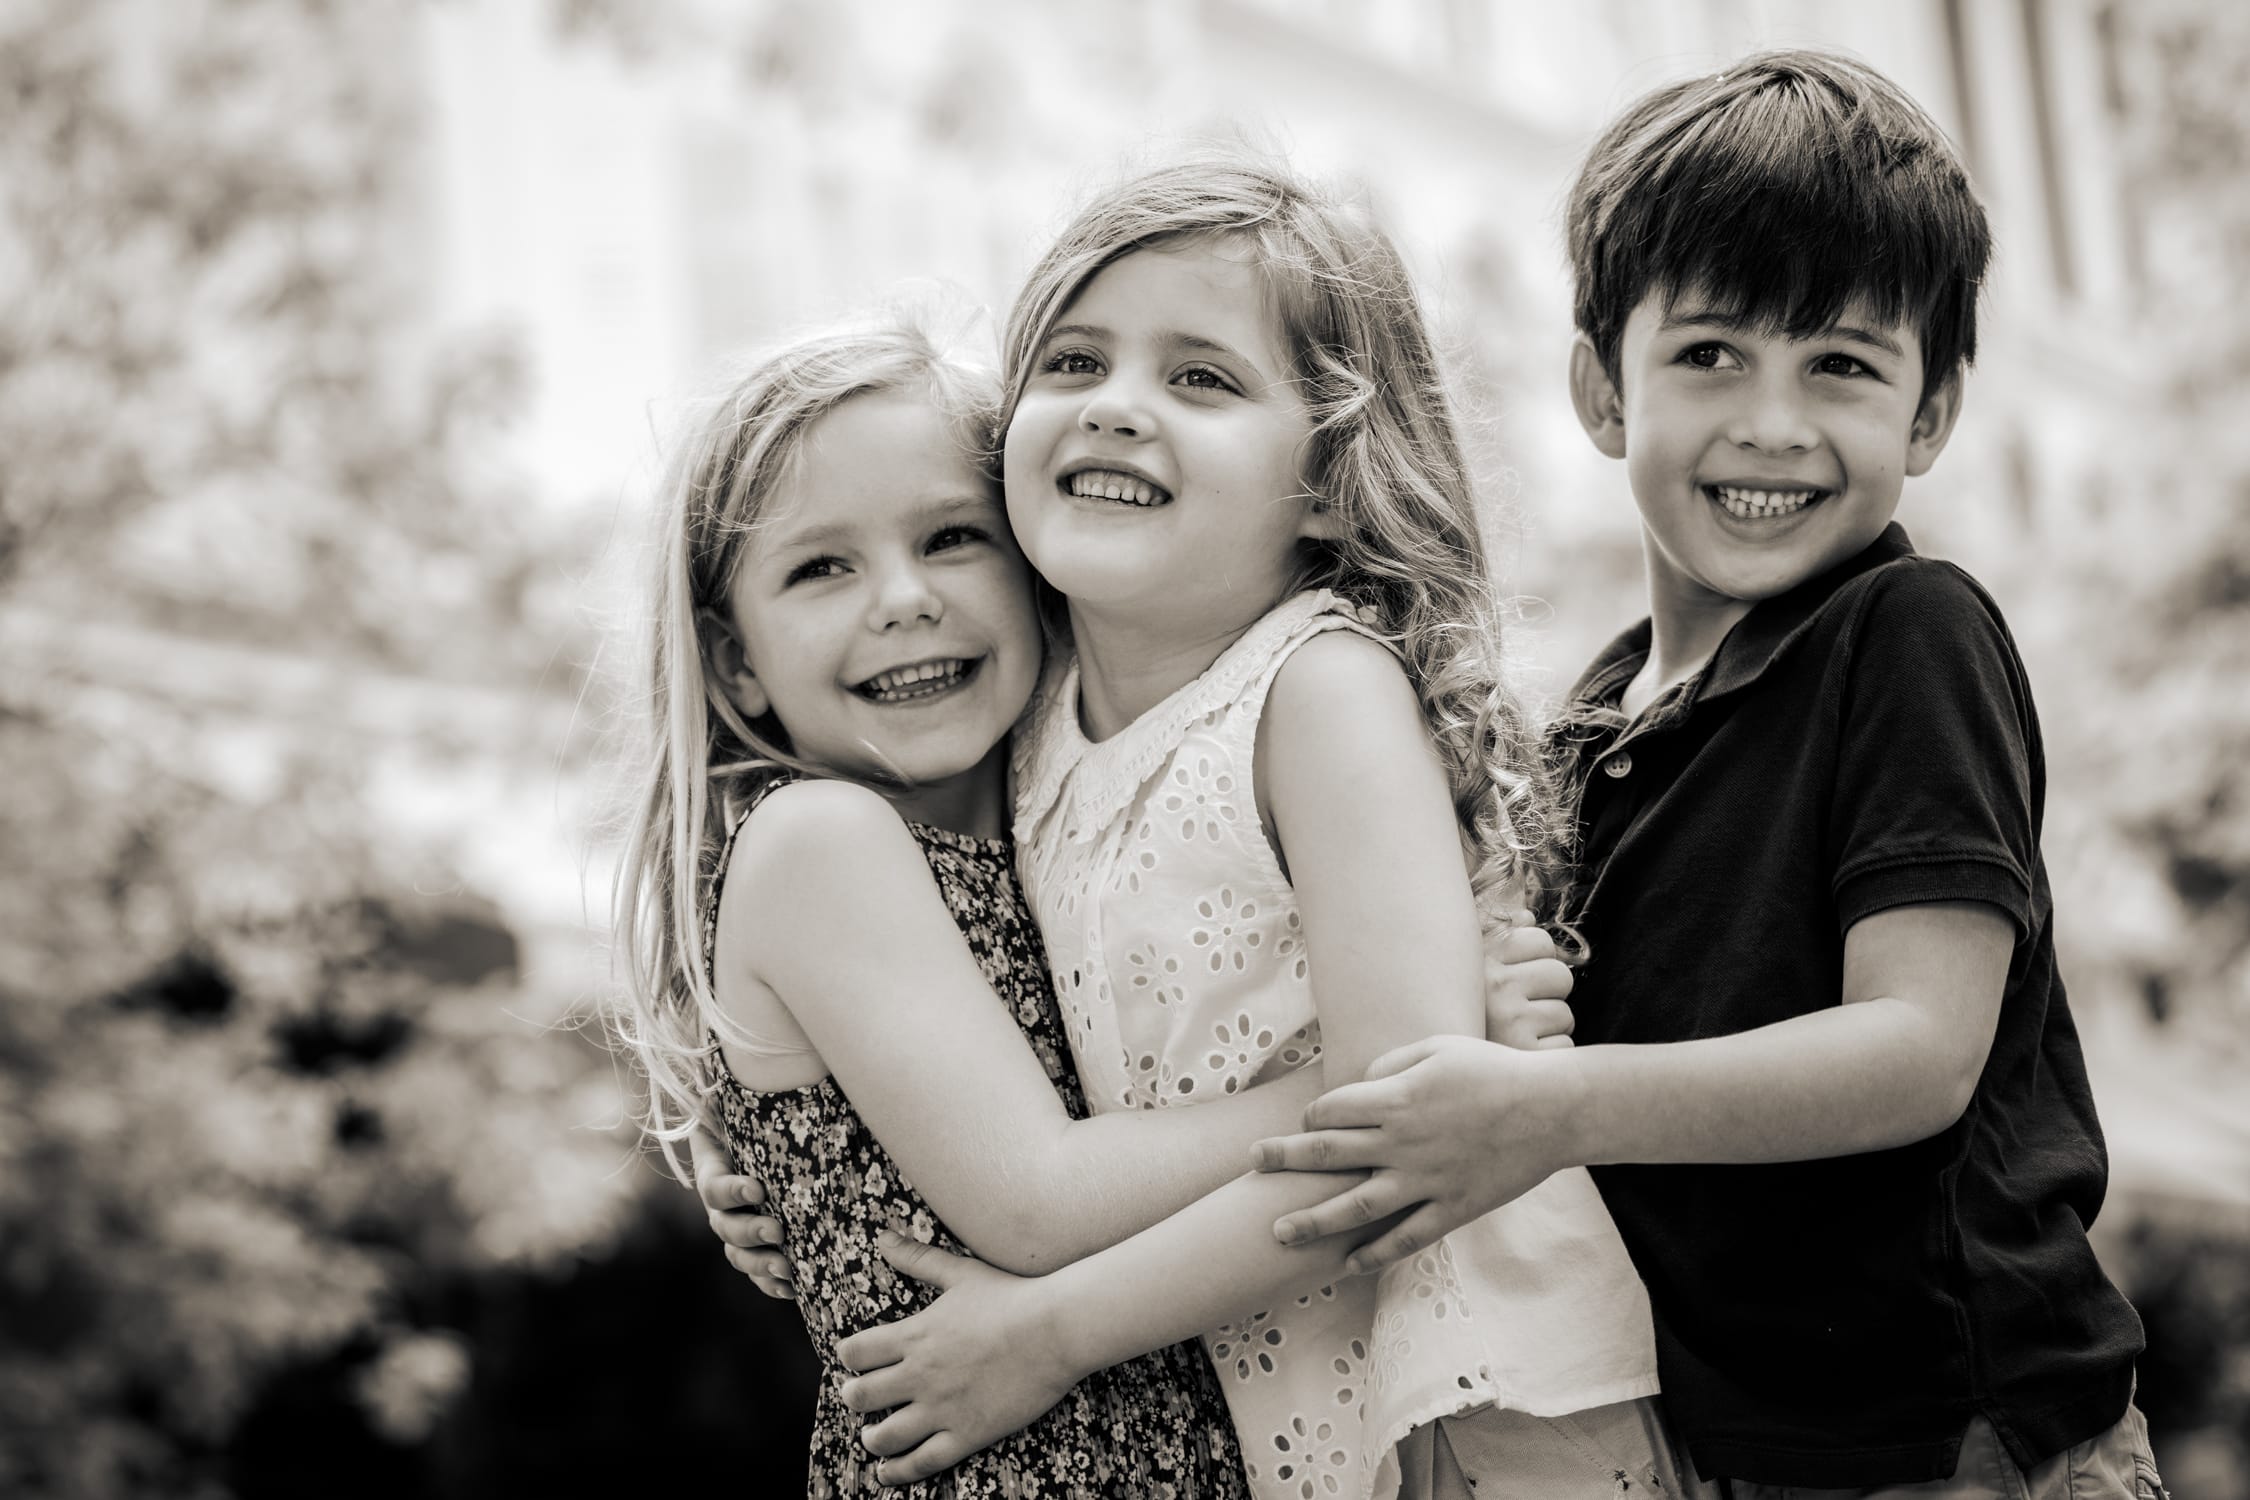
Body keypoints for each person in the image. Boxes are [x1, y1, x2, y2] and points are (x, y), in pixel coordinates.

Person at [1248, 51, 2162, 1500]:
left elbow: (1915, 1054)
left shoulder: (1906, 635)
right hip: (1716, 1445)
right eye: (1710, 354)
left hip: (1954, 1448)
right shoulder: (1584, 730)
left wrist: (1542, 1106)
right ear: (1600, 388)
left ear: (1927, 417)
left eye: (1842, 368)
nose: (1772, 424)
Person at [796, 159, 1686, 1500]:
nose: (1117, 408)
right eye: (1074, 361)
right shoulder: (1031, 721)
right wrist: (798, 1176)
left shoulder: (1317, 691)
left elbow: (1403, 1149)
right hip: (1249, 1394)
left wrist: (1051, 1334)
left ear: (1330, 481)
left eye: (1199, 378)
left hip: (1459, 1385)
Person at [620, 308, 1577, 1496]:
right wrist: (1416, 1066)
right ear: (734, 663)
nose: (905, 599)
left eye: (954, 538)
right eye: (823, 567)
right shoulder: (821, 839)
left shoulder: (1052, 801)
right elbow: (1038, 1200)